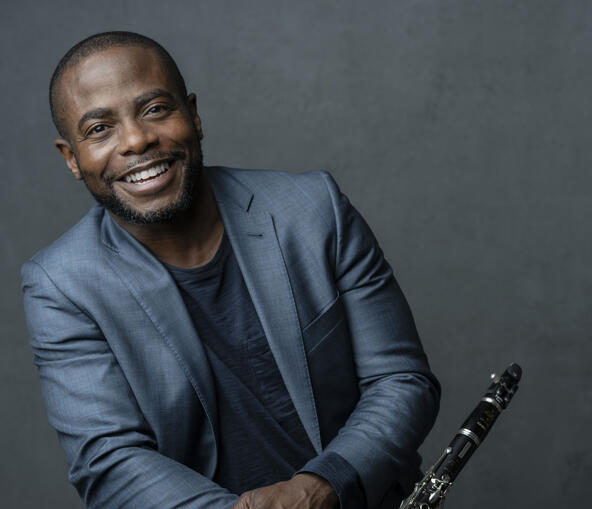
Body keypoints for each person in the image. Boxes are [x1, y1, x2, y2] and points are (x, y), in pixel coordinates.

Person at [21, 31, 440, 509]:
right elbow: (110, 461)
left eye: (155, 108)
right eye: (99, 129)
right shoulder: (61, 285)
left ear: (193, 114)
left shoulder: (312, 210)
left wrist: (320, 487)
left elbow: (401, 381)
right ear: (71, 159)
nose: (136, 140)